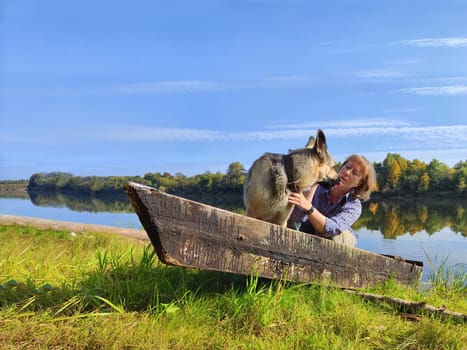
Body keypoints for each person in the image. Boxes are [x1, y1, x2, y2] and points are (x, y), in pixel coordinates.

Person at [287, 154, 376, 247]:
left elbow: (331, 229)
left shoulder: (354, 206)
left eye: (354, 173)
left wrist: (309, 208)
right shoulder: (319, 185)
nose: (347, 173)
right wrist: (313, 183)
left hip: (339, 240)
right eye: (347, 167)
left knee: (336, 237)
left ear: (359, 183)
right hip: (309, 233)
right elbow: (295, 218)